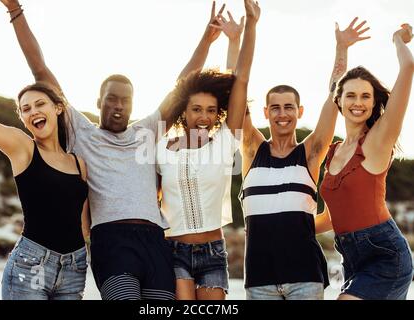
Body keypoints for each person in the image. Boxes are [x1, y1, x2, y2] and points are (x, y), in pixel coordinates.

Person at [0, 0, 230, 300]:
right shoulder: (81, 132)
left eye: (125, 101)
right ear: (99, 102)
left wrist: (207, 40)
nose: (118, 106)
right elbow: (40, 68)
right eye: (111, 99)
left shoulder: (146, 130)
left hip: (155, 242)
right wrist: (16, 11)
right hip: (111, 241)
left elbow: (182, 84)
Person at [238, 18, 371, 300]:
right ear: (265, 113)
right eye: (275, 108)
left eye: (288, 107)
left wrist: (342, 48)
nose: (282, 113)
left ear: (299, 111)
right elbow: (237, 95)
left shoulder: (309, 154)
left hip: (305, 279)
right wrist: (245, 32)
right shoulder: (252, 150)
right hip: (258, 282)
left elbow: (333, 100)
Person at [156, 0, 260, 300]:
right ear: (183, 112)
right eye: (196, 109)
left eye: (211, 111)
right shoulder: (162, 148)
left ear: (218, 115)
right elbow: (179, 87)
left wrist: (249, 28)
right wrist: (207, 39)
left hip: (213, 251)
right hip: (173, 250)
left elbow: (240, 80)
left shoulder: (226, 142)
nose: (204, 116)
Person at [0, 82, 90, 300]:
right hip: (31, 265)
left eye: (40, 104)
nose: (34, 111)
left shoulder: (79, 163)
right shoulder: (23, 148)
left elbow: (84, 226)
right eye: (26, 109)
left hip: (74, 268)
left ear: (58, 108)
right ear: (22, 118)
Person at [316, 23, 414, 300]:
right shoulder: (334, 153)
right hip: (352, 258)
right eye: (351, 95)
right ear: (339, 101)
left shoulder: (378, 139)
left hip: (386, 255)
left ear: (373, 103)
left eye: (365, 96)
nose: (357, 102)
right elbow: (330, 219)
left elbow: (408, 68)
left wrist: (398, 38)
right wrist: (341, 48)